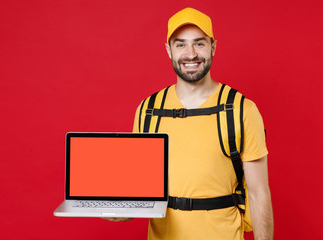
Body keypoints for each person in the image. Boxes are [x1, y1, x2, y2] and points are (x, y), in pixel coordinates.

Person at [107, 7, 274, 240]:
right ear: (169, 50)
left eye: (199, 43)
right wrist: (119, 210)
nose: (191, 54)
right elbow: (140, 192)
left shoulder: (241, 109)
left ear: (213, 47)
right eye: (181, 44)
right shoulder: (148, 111)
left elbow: (258, 194)